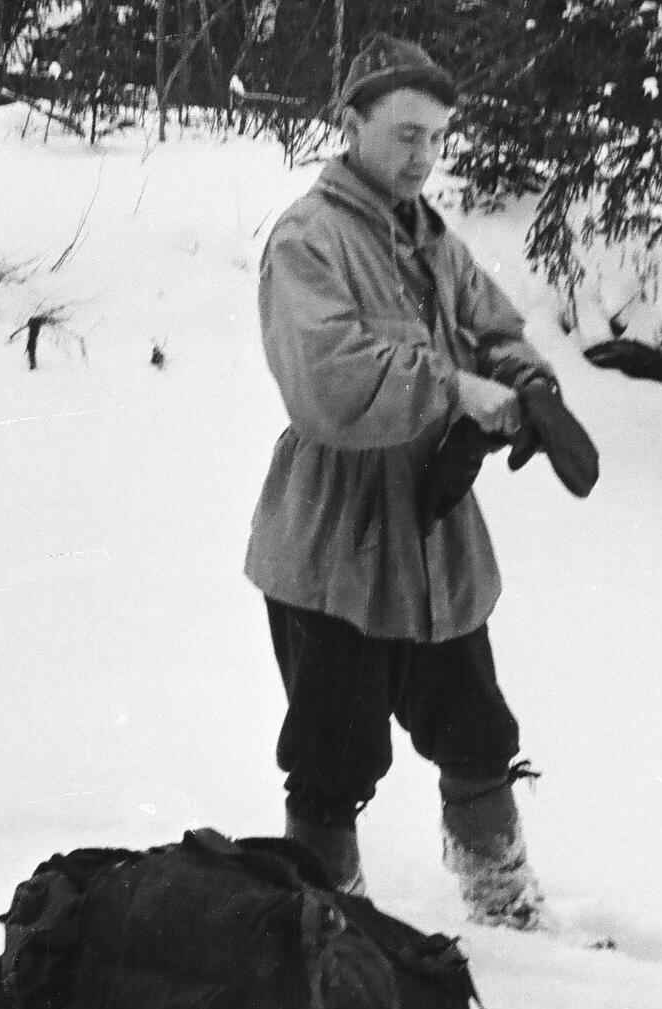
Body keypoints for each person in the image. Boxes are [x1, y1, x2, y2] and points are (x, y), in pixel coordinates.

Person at [245, 34, 598, 929]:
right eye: (405, 134)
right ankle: (328, 924)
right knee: (334, 752)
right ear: (351, 123)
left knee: (476, 725)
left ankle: (504, 900)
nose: (423, 156)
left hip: (434, 522)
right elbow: (326, 381)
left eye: (436, 138)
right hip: (338, 529)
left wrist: (525, 381)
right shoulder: (307, 239)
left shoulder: (429, 237)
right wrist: (456, 390)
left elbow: (492, 324)